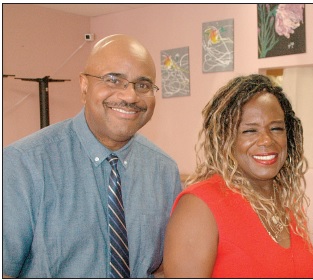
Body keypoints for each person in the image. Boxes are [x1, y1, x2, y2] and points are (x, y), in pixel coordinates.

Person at [2, 34, 182, 278]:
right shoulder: (23, 164)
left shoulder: (164, 171)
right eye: (113, 80)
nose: (130, 96)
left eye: (143, 85)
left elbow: (163, 268)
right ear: (84, 86)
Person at [160, 74, 313, 278]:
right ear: (225, 138)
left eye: (276, 128)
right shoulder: (199, 206)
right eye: (250, 131)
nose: (266, 140)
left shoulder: (287, 204)